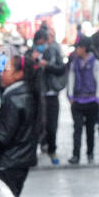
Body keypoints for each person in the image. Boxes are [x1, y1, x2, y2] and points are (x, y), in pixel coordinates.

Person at [0, 53, 41, 197]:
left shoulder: (14, 99)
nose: (1, 74)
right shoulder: (25, 93)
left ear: (18, 74)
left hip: (9, 161)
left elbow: (2, 138)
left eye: (5, 71)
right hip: (19, 159)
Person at [32, 26, 67, 166]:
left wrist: (47, 65)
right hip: (37, 94)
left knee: (52, 125)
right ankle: (41, 146)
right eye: (38, 43)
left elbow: (61, 69)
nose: (40, 46)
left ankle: (52, 149)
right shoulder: (30, 54)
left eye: (42, 43)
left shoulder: (53, 51)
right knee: (38, 125)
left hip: (52, 93)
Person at [67, 38, 99, 165]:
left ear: (84, 48)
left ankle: (90, 153)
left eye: (78, 47)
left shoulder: (95, 63)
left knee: (90, 130)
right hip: (77, 101)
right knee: (77, 129)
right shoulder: (74, 63)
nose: (76, 50)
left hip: (91, 101)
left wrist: (98, 98)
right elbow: (71, 79)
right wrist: (70, 96)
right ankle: (75, 155)